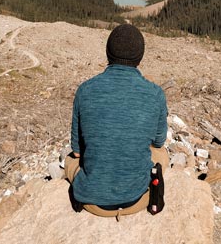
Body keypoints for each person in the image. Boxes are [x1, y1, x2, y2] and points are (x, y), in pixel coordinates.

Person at [65, 23, 169, 217]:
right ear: (140, 56)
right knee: (161, 155)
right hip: (138, 199)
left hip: (92, 203)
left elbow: (78, 152)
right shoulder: (155, 93)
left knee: (69, 160)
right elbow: (159, 141)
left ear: (107, 53)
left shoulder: (85, 90)